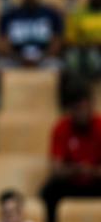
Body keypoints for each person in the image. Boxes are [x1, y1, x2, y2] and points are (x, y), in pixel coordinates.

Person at [40, 81, 101, 222]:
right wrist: (76, 170)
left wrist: (91, 171)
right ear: (70, 109)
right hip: (71, 183)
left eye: (84, 108)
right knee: (48, 193)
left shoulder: (100, 126)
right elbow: (56, 169)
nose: (81, 113)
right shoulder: (61, 127)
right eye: (77, 109)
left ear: (91, 105)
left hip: (96, 182)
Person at [0, 0, 64, 72]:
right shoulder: (8, 15)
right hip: (16, 60)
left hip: (44, 60)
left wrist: (40, 59)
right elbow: (3, 46)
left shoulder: (51, 14)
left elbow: (56, 44)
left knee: (57, 66)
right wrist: (20, 59)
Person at [66, 0, 101, 78]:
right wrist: (88, 45)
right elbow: (70, 40)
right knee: (72, 59)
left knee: (94, 59)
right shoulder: (78, 14)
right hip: (84, 52)